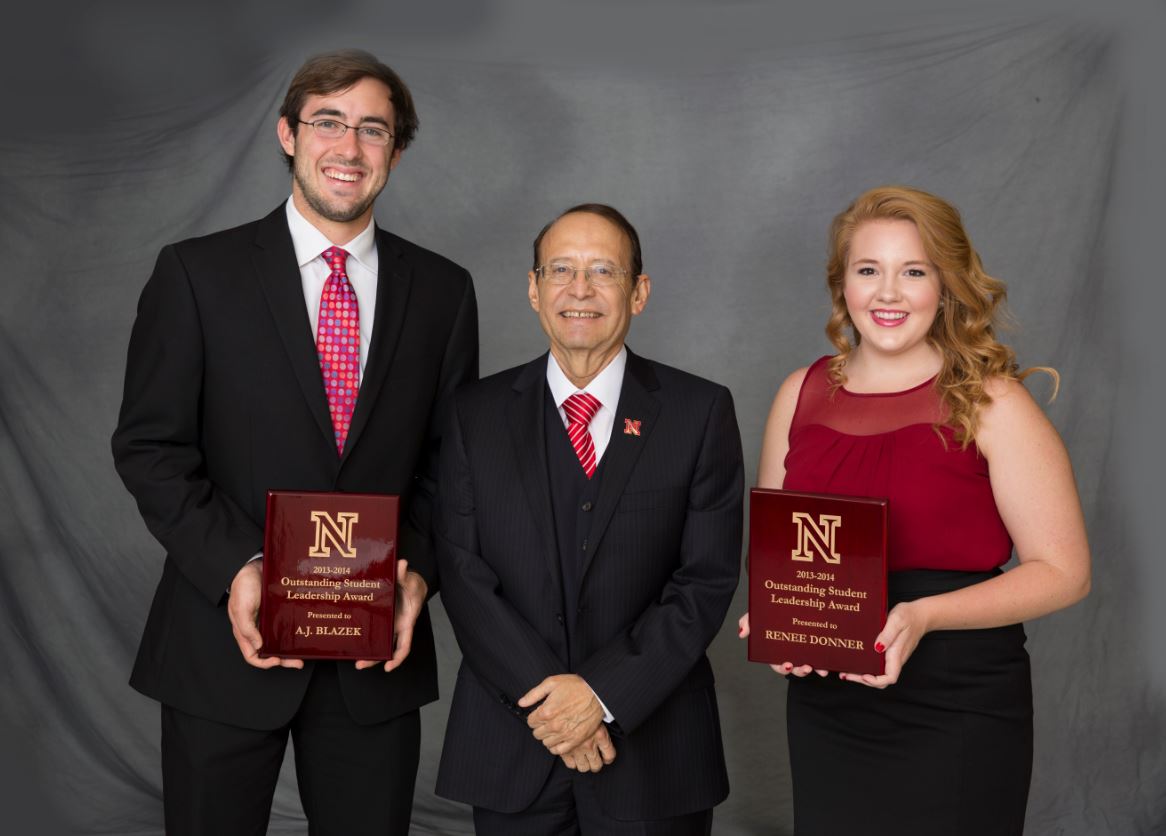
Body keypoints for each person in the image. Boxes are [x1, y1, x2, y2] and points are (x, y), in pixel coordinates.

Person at [111, 49, 477, 835]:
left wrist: (415, 579)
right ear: (287, 133)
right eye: (328, 123)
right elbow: (150, 447)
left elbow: (455, 469)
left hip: (375, 659)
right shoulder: (196, 275)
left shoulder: (444, 293)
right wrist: (238, 570)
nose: (348, 148)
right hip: (224, 647)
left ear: (396, 152)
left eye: (372, 129)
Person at [739, 185, 1091, 835]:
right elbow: (782, 561)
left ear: (947, 284)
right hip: (831, 709)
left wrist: (923, 615)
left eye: (914, 271)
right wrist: (782, 627)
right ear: (842, 285)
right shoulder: (800, 393)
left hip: (958, 704)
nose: (888, 293)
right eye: (868, 270)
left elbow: (1064, 571)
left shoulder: (993, 402)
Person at [433, 204, 743, 834]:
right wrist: (556, 706)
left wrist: (600, 699)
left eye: (603, 270)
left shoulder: (699, 411)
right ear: (532, 288)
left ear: (639, 291)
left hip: (654, 751)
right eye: (561, 270)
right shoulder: (475, 414)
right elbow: (463, 574)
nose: (580, 290)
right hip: (513, 742)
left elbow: (704, 579)